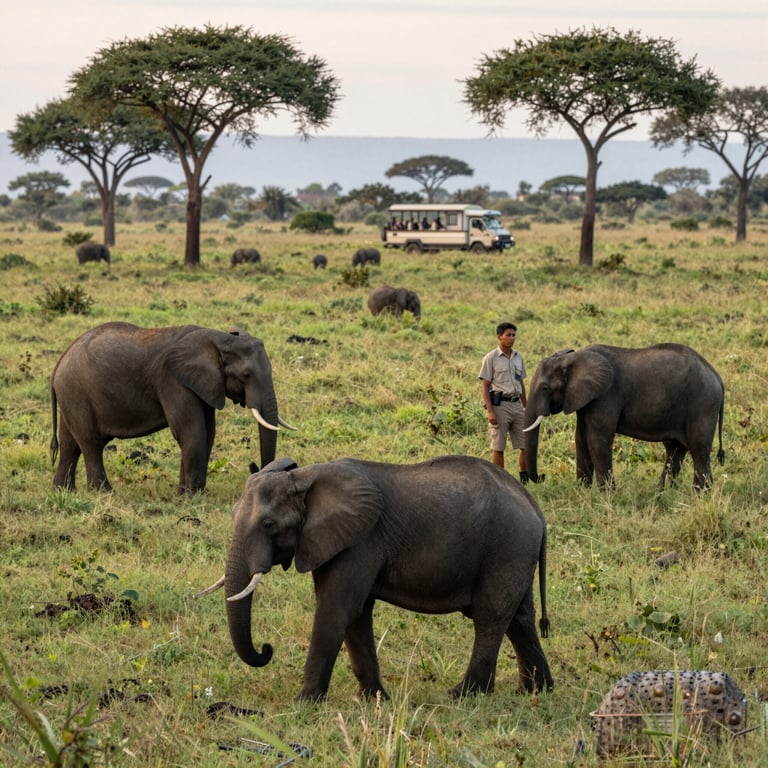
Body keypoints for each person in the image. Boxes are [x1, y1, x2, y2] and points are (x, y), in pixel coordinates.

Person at [478, 322, 541, 484]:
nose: (511, 338)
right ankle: (500, 482)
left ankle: (524, 478)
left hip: (516, 404)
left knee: (525, 443)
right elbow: (484, 386)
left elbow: (520, 384)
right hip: (500, 405)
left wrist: (526, 406)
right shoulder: (490, 358)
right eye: (508, 335)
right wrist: (490, 411)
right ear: (499, 337)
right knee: (498, 446)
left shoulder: (518, 357)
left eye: (513, 335)